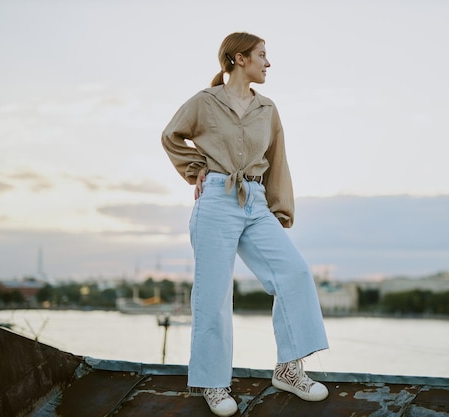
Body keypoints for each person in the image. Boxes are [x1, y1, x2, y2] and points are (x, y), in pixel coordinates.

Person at [161, 32, 329, 416]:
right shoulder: (205, 102)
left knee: (295, 273)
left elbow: (278, 160)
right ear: (239, 59)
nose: (268, 64)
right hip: (217, 197)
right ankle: (214, 384)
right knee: (214, 295)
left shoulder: (268, 109)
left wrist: (280, 208)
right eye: (262, 56)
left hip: (255, 201)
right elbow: (171, 136)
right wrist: (196, 168)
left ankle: (289, 368)